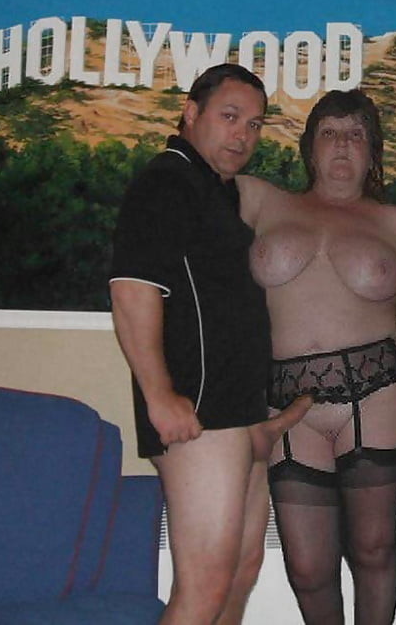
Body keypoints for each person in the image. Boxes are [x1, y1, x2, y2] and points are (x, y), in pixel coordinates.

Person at [237, 88, 396, 624]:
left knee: (373, 551)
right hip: (287, 404)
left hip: (376, 396)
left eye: (356, 135)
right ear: (310, 147)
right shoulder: (262, 201)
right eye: (330, 132)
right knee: (307, 568)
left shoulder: (395, 223)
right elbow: (192, 190)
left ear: (372, 151)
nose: (342, 145)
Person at [110, 63, 310, 624]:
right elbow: (132, 290)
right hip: (195, 410)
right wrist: (159, 396)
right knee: (204, 585)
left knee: (241, 571)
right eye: (229, 116)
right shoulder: (167, 181)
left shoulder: (215, 192)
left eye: (254, 124)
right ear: (191, 113)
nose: (242, 134)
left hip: (236, 411)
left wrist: (260, 411)